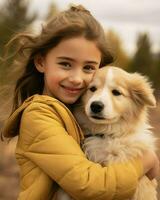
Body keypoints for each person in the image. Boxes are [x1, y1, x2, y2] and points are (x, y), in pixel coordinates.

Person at [1, 5, 159, 200]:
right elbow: (87, 185)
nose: (77, 78)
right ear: (41, 62)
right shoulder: (39, 115)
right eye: (65, 64)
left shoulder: (69, 111)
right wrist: (144, 162)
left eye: (88, 68)